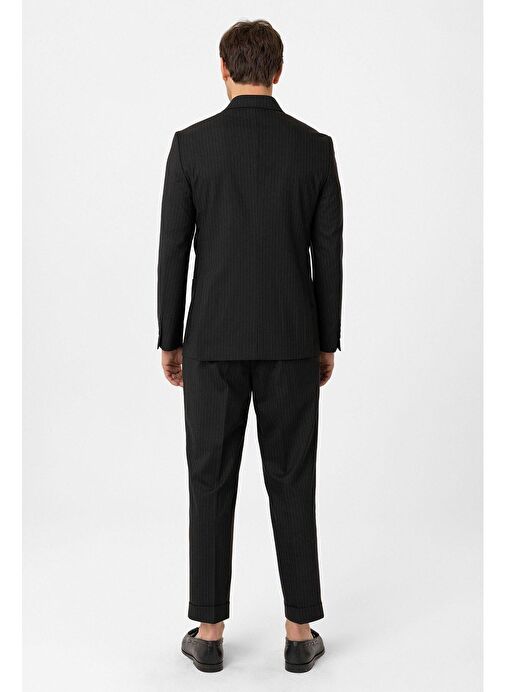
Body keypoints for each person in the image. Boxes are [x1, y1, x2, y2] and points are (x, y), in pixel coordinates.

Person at [157, 19, 343, 673]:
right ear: (278, 70)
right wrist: (325, 341)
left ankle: (208, 634)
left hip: (210, 340)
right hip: (292, 339)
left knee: (210, 479)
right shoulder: (314, 149)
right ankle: (298, 632)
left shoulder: (191, 146)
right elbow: (328, 256)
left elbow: (173, 251)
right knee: (292, 477)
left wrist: (170, 338)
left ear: (223, 68)